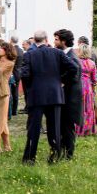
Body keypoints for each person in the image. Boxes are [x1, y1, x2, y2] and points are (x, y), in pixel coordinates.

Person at [20, 30, 79, 165]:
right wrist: (61, 80)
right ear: (46, 40)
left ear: (34, 41)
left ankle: (30, 158)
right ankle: (55, 155)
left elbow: (24, 74)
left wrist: (31, 88)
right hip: (54, 94)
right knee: (54, 128)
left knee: (34, 128)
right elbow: (74, 68)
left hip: (37, 95)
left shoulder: (29, 54)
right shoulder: (57, 53)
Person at [54, 29, 83, 160]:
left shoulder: (71, 56)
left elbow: (75, 73)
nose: (54, 42)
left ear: (63, 41)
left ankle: (69, 155)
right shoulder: (65, 54)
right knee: (63, 127)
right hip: (65, 97)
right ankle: (64, 151)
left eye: (56, 39)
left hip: (70, 99)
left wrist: (62, 81)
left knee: (67, 128)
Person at [77, 43, 97, 136]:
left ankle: (78, 128)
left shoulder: (76, 62)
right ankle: (87, 129)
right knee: (88, 108)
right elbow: (94, 79)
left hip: (78, 86)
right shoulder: (92, 63)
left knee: (79, 108)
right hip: (88, 87)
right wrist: (94, 90)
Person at [10, 35, 24, 117]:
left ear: (11, 40)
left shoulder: (12, 50)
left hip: (12, 72)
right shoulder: (21, 50)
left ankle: (11, 110)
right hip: (18, 72)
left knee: (11, 92)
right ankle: (14, 110)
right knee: (15, 92)